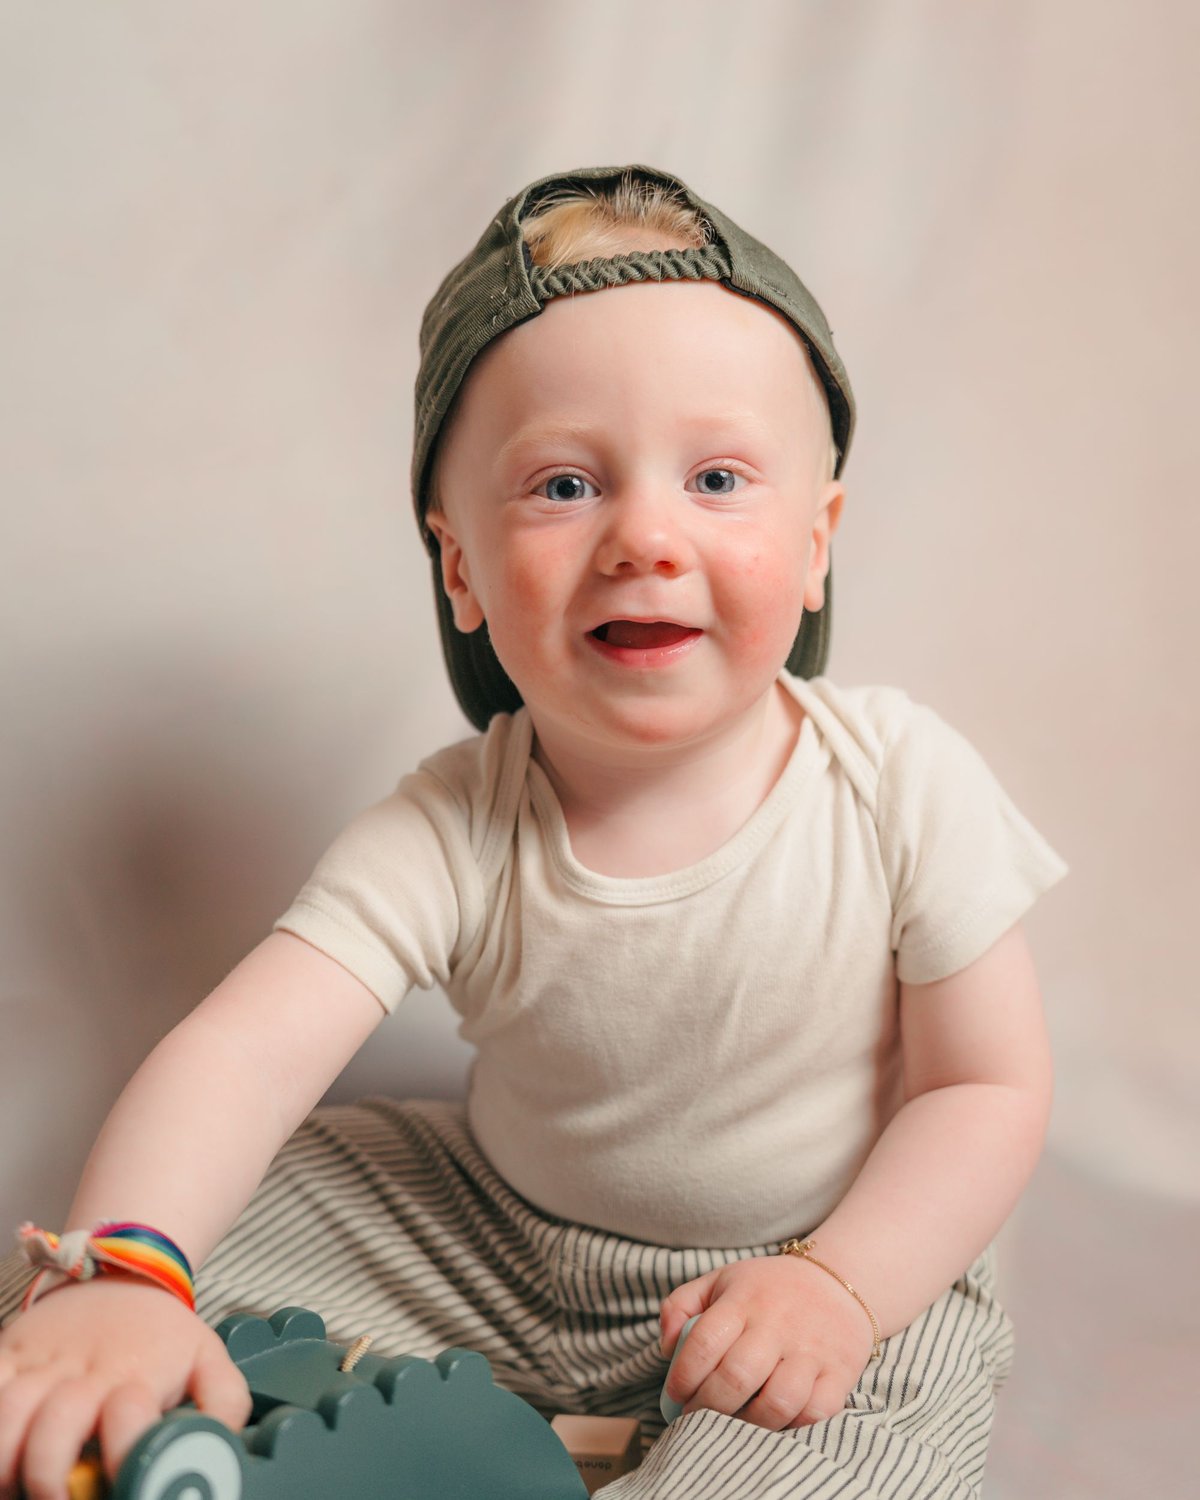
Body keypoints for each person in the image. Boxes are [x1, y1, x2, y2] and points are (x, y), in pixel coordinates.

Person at [0, 163, 1068, 1500]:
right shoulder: (456, 821)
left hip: (817, 1247)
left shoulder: (903, 785)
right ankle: (173, 1396)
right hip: (497, 1244)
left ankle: (677, 1441)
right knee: (149, 1255)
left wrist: (843, 1288)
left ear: (816, 545)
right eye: (564, 485)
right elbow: (247, 1054)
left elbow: (983, 1090)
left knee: (879, 1398)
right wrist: (129, 1268)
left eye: (717, 477)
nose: (645, 537)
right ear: (460, 567)